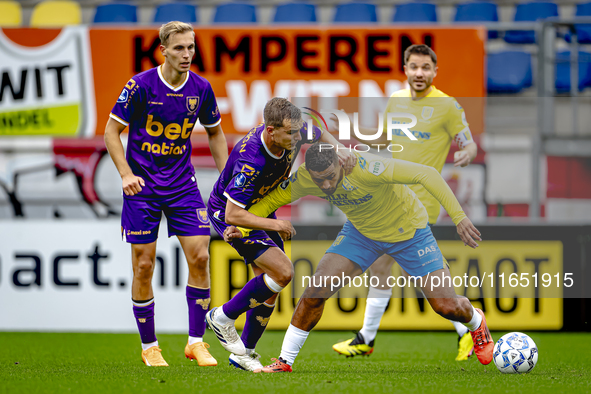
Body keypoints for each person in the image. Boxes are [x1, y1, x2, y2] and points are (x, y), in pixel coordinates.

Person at [223, 143, 493, 373]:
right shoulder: (306, 177)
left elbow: (427, 174)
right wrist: (241, 226)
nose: (327, 185)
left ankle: (476, 321)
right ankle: (285, 361)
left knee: (446, 306)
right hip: (361, 234)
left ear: (342, 164)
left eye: (331, 176)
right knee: (316, 291)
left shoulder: (369, 167)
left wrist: (459, 218)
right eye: (320, 180)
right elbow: (268, 204)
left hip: (410, 231)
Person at [332, 44, 479, 361]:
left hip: (421, 203)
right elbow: (387, 137)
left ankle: (466, 329)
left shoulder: (447, 106)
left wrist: (467, 152)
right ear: (406, 69)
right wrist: (350, 134)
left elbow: (468, 141)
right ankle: (368, 338)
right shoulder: (397, 100)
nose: (419, 73)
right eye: (413, 67)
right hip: (392, 198)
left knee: (407, 272)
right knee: (384, 269)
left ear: (435, 71)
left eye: (425, 67)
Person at [104, 21, 228, 367]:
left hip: (181, 184)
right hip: (142, 186)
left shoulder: (201, 89)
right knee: (143, 265)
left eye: (191, 47)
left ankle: (195, 342)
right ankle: (150, 346)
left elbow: (216, 135)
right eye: (179, 48)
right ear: (164, 50)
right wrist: (126, 174)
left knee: (201, 257)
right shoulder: (140, 86)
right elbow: (111, 132)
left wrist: (228, 179)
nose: (187, 54)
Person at [205, 98, 355, 372]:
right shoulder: (251, 159)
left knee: (269, 289)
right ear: (270, 130)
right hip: (235, 214)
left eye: (298, 131)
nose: (298, 138)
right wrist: (278, 225)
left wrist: (339, 148)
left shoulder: (291, 130)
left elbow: (318, 131)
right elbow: (232, 215)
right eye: (291, 134)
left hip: (262, 207)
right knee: (283, 273)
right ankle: (222, 316)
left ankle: (244, 354)